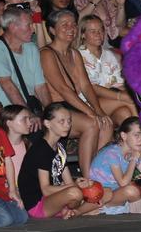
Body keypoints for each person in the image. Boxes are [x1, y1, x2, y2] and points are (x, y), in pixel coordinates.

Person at [39, 10, 119, 164]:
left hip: (74, 104)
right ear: (52, 30)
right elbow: (63, 89)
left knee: (106, 124)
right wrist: (90, 112)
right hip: (57, 108)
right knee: (92, 123)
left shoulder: (74, 53)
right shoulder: (47, 54)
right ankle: (88, 177)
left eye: (74, 25)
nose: (71, 28)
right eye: (65, 25)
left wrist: (99, 110)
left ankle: (98, 170)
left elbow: (85, 85)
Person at [17, 103, 102, 219]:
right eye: (61, 121)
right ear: (47, 124)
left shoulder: (60, 146)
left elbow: (68, 181)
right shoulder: (41, 149)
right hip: (39, 204)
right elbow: (46, 190)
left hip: (57, 198)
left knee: (104, 192)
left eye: (69, 121)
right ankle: (77, 210)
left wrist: (79, 184)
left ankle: (74, 212)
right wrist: (75, 186)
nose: (67, 125)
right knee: (75, 193)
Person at [88, 118, 141, 215]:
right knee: (131, 190)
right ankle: (140, 206)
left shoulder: (133, 151)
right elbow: (123, 183)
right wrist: (134, 160)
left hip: (120, 193)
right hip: (104, 196)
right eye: (136, 135)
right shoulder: (112, 153)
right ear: (124, 136)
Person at [0, 6, 48, 121]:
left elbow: (40, 86)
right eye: (29, 25)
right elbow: (7, 85)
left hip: (31, 106)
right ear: (13, 27)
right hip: (9, 113)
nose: (33, 29)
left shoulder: (31, 48)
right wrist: (27, 116)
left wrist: (51, 114)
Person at [77, 15, 132, 114]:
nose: (98, 34)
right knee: (131, 102)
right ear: (83, 34)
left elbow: (118, 83)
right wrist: (122, 96)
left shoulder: (109, 55)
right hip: (89, 102)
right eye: (93, 31)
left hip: (110, 97)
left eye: (100, 30)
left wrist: (132, 93)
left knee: (125, 113)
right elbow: (91, 87)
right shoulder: (78, 56)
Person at [0, 92, 27, 227]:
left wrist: (12, 190)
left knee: (21, 217)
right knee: (4, 220)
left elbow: (8, 162)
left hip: (0, 191)